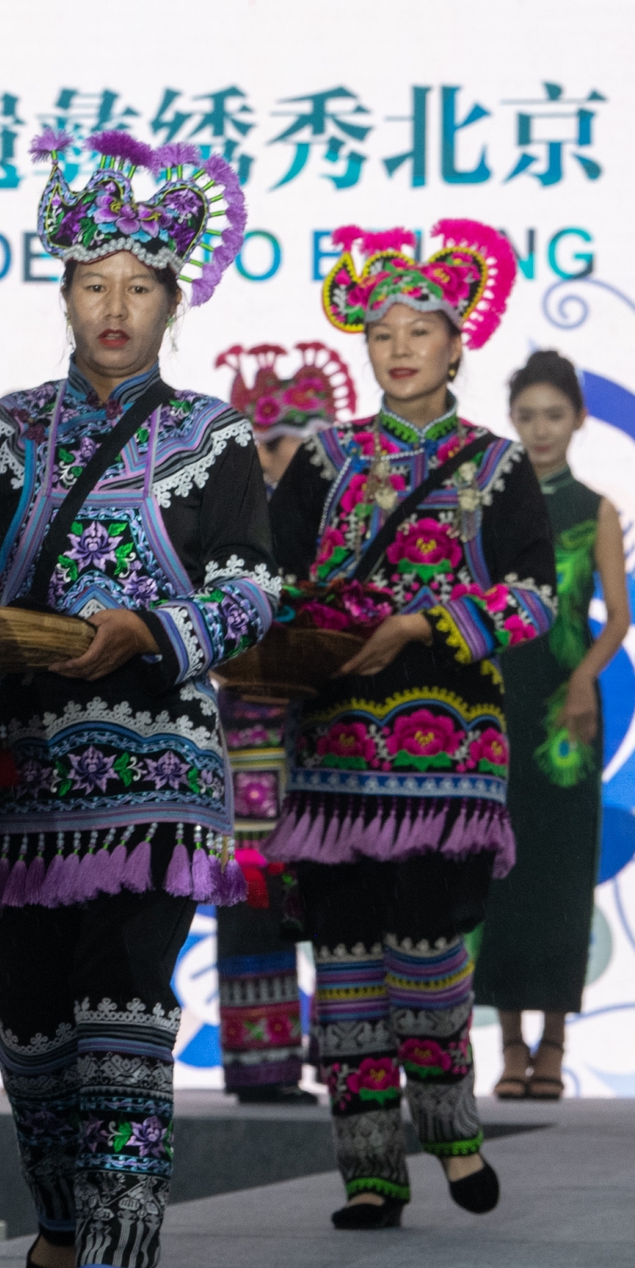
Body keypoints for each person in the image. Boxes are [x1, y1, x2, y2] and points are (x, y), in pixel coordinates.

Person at [0, 128, 275, 1268]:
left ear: (172, 300)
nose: (113, 306)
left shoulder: (214, 439)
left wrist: (146, 626)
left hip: (159, 764)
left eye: (137, 286)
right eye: (92, 283)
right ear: (62, 291)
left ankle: (118, 1257)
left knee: (126, 1007)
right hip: (25, 767)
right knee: (29, 1022)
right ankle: (65, 1212)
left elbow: (248, 593)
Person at [267, 222, 556, 1230]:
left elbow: (533, 598)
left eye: (419, 328)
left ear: (455, 344)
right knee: (343, 963)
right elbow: (274, 583)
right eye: (381, 329)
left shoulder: (497, 465)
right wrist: (303, 624)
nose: (398, 345)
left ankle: (452, 1122)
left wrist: (425, 621)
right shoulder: (321, 459)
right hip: (336, 752)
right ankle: (368, 1167)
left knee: (428, 953)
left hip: (451, 757)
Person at [476, 351, 630, 1100]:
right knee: (499, 869)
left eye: (554, 416)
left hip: (565, 715)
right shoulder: (489, 500)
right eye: (527, 416)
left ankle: (556, 1047)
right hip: (494, 702)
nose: (540, 430)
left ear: (578, 421)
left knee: (561, 873)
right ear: (512, 421)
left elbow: (618, 619)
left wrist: (582, 679)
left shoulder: (594, 507)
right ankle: (508, 1048)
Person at [208, 342, 357, 1105]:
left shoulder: (354, 508)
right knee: (254, 892)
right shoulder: (229, 509)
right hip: (249, 728)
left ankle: (349, 1058)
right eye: (272, 440)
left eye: (307, 436)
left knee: (338, 890)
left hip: (335, 726)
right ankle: (261, 1064)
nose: (290, 453)